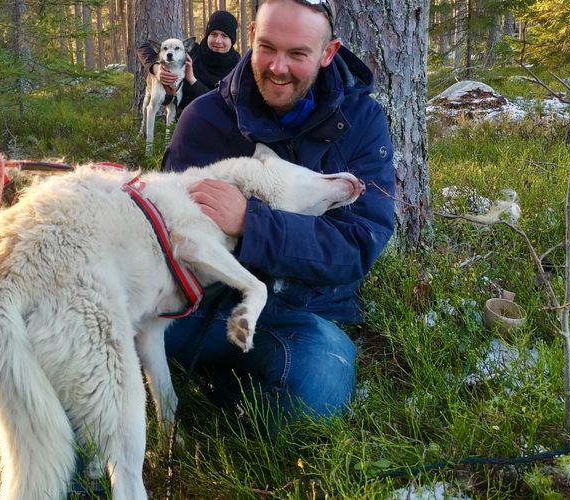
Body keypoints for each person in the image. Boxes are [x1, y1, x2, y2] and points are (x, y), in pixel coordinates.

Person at [161, 0, 396, 425]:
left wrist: (253, 224)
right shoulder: (204, 119)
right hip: (199, 303)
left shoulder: (361, 123)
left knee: (318, 386)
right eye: (267, 47)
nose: (278, 67)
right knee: (93, 328)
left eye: (298, 54)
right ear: (250, 36)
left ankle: (221, 400)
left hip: (300, 312)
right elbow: (162, 234)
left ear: (328, 53)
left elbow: (359, 244)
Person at [136, 10, 241, 116]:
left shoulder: (237, 67)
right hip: (178, 120)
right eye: (214, 34)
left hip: (212, 123)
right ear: (207, 35)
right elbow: (144, 48)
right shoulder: (192, 51)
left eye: (224, 36)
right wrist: (155, 68)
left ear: (232, 39)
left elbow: (220, 103)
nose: (218, 40)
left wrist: (192, 79)